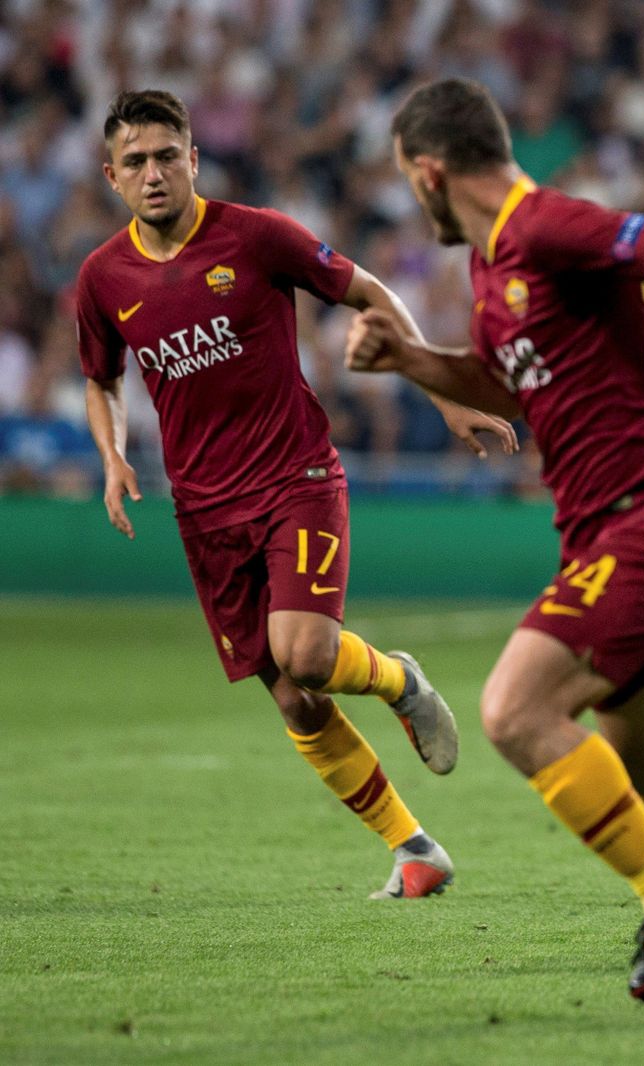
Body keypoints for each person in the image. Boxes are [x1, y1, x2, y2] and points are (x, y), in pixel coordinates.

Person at [344, 78, 644, 1004]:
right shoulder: (492, 269)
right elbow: (516, 388)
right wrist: (412, 361)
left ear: (429, 172)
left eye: (411, 185)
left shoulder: (544, 226)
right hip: (604, 531)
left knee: (515, 712)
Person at [77, 90, 519, 900]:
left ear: (193, 160)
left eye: (167, 155)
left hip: (295, 478)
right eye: (135, 162)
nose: (153, 173)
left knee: (309, 653)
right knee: (298, 702)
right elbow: (99, 377)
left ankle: (400, 682)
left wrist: (447, 394)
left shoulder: (256, 236)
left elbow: (371, 294)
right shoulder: (104, 278)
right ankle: (414, 848)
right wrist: (109, 455)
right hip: (205, 512)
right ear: (112, 176)